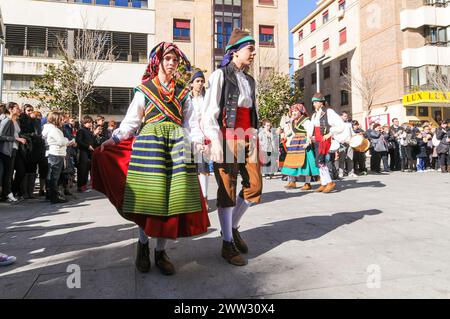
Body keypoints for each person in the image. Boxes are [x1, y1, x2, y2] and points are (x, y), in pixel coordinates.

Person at [92, 41, 209, 275]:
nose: (171, 63)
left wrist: (198, 141)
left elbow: (191, 123)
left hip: (177, 147)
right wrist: (114, 139)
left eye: (175, 60)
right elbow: (131, 121)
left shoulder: (183, 92)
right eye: (167, 59)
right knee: (150, 200)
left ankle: (161, 251)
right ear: (158, 62)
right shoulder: (144, 89)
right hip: (150, 146)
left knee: (172, 202)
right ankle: (143, 247)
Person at [202, 29, 262, 266]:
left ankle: (233, 227)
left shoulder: (250, 80)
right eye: (250, 48)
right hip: (227, 136)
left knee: (255, 186)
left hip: (247, 136)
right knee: (227, 190)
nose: (254, 52)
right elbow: (210, 113)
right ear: (235, 51)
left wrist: (255, 138)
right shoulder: (219, 75)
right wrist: (215, 142)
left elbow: (253, 113)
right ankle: (227, 242)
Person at [310, 93, 345, 193]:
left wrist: (330, 134)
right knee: (319, 161)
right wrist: (311, 136)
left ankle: (330, 182)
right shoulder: (315, 114)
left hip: (324, 139)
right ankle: (323, 183)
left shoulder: (328, 112)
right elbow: (313, 127)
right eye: (313, 102)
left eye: (316, 102)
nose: (314, 104)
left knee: (321, 161)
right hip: (317, 140)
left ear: (321, 103)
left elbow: (340, 125)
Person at [281, 104, 319, 190]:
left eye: (296, 111)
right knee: (291, 162)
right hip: (295, 143)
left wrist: (308, 142)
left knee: (307, 164)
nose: (293, 113)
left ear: (300, 112)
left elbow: (310, 132)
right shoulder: (293, 121)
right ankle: (292, 181)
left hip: (303, 142)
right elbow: (291, 132)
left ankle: (307, 183)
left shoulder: (306, 121)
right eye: (292, 111)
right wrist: (286, 136)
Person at [188, 70, 210, 207]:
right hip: (189, 137)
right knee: (190, 169)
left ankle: (205, 198)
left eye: (202, 81)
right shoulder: (186, 99)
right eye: (197, 81)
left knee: (203, 168)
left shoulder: (207, 99)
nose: (200, 83)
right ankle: (193, 199)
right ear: (191, 84)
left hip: (203, 138)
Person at [42, 112, 74, 204]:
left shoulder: (54, 129)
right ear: (55, 120)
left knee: (54, 176)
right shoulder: (54, 130)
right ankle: (54, 197)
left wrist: (65, 141)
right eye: (60, 119)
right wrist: (69, 141)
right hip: (56, 154)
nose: (62, 121)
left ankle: (53, 196)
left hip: (57, 153)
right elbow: (61, 142)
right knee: (54, 177)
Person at [0, 102, 27, 202]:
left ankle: (11, 192)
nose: (19, 110)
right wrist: (16, 139)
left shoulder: (16, 121)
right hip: (7, 150)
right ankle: (6, 195)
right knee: (8, 173)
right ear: (11, 109)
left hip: (15, 149)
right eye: (17, 108)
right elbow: (0, 136)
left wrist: (20, 139)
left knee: (20, 171)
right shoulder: (6, 121)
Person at [76, 116, 100, 192]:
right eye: (88, 122)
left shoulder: (89, 131)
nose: (90, 124)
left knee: (86, 170)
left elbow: (93, 142)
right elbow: (79, 141)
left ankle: (84, 186)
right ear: (84, 123)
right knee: (82, 170)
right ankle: (80, 187)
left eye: (91, 122)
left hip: (89, 153)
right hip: (83, 153)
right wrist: (87, 146)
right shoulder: (81, 131)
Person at [336, 111, 356, 178]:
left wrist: (356, 136)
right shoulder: (337, 124)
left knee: (350, 158)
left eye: (346, 116)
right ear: (340, 116)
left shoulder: (349, 124)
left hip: (349, 143)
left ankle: (350, 173)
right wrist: (340, 140)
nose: (346, 117)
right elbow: (335, 134)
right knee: (342, 159)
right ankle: (341, 173)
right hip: (342, 143)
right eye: (345, 116)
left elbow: (352, 133)